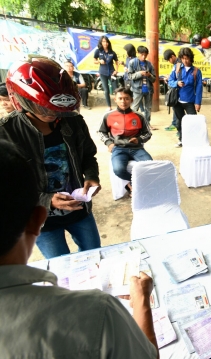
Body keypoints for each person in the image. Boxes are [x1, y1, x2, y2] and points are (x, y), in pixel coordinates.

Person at [0, 140, 158, 358]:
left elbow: (87, 155)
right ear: (38, 219)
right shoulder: (96, 312)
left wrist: (91, 174)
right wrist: (141, 301)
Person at [0, 56, 101, 259]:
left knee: (94, 257)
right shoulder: (6, 133)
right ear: (21, 100)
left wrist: (91, 176)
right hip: (40, 220)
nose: (54, 114)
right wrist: (47, 200)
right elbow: (7, 189)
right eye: (45, 108)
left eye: (58, 109)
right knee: (61, 268)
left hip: (79, 208)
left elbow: (88, 155)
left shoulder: (72, 121)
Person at [98, 87, 152, 195]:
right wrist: (109, 143)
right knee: (118, 170)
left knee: (150, 166)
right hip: (118, 148)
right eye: (120, 98)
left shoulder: (139, 116)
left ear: (132, 100)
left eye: (127, 98)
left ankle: (132, 185)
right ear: (115, 99)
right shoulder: (108, 115)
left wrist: (139, 139)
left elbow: (148, 133)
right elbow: (101, 132)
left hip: (137, 148)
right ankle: (133, 183)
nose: (123, 101)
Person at [167, 47, 203, 147]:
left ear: (190, 58)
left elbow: (199, 88)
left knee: (193, 122)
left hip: (190, 101)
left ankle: (194, 141)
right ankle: (182, 140)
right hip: (177, 101)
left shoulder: (196, 71)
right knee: (180, 122)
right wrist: (176, 83)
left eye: (186, 58)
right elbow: (170, 81)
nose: (185, 61)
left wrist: (198, 103)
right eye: (182, 58)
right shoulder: (177, 67)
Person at [128, 46, 157, 130]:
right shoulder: (132, 63)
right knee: (135, 107)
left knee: (148, 108)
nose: (143, 57)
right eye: (142, 54)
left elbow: (154, 79)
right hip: (137, 89)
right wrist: (140, 73)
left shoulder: (149, 64)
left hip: (148, 89)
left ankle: (147, 124)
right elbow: (130, 76)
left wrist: (149, 75)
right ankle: (132, 124)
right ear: (138, 53)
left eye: (145, 55)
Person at [93, 36, 119, 111]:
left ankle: (119, 106)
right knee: (106, 90)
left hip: (112, 73)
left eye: (106, 41)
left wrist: (116, 70)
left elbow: (116, 62)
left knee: (116, 89)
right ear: (101, 42)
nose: (105, 43)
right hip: (102, 73)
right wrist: (99, 61)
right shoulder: (98, 51)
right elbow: (94, 61)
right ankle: (109, 106)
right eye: (103, 41)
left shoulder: (112, 52)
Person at [163, 49, 181, 133]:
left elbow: (178, 77)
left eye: (169, 59)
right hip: (176, 88)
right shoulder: (176, 64)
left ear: (173, 56)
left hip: (179, 90)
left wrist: (169, 78)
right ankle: (175, 124)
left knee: (178, 109)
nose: (169, 61)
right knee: (175, 108)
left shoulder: (178, 63)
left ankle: (178, 128)